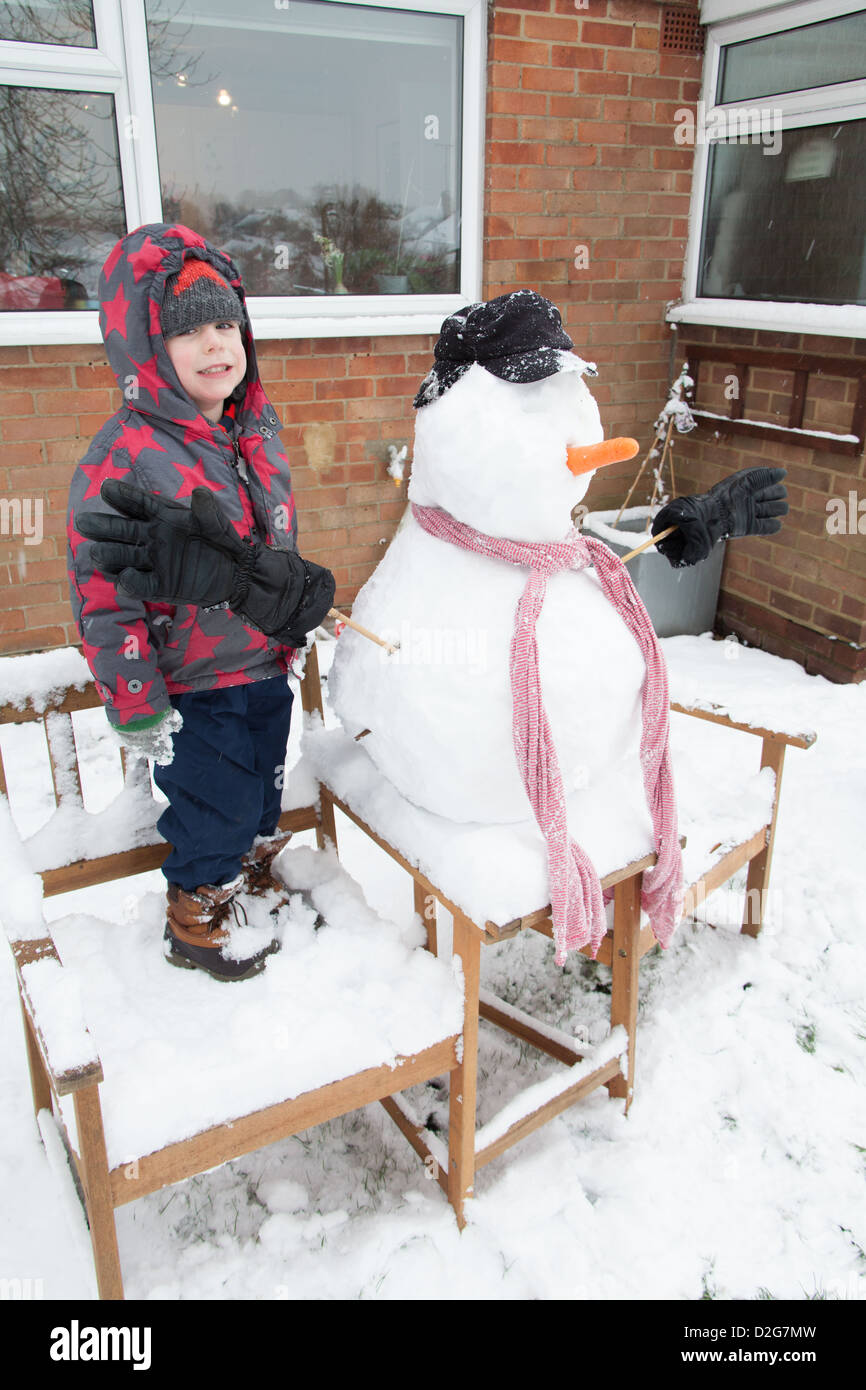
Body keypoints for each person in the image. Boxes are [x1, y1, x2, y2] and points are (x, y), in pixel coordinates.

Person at [68, 223, 334, 982]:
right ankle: (197, 914)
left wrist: (292, 615)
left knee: (259, 795)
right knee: (214, 806)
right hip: (192, 681)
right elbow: (101, 592)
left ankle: (246, 876)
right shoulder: (125, 457)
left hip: (263, 663)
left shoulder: (254, 432)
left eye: (226, 324)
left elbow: (275, 542)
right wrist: (134, 696)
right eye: (188, 331)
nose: (216, 344)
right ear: (147, 350)